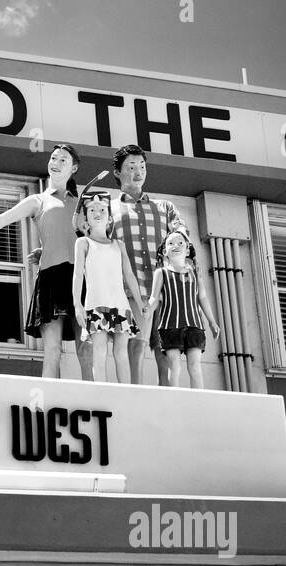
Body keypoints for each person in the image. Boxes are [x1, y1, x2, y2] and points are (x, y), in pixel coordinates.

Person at [0, 144, 91, 380]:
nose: (56, 163)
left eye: (63, 160)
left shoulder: (84, 203)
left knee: (86, 347)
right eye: (53, 158)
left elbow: (93, 239)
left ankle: (95, 403)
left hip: (80, 278)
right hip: (51, 278)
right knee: (52, 350)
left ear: (74, 167)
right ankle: (48, 405)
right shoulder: (37, 200)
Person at [105, 144, 190, 385]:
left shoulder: (164, 208)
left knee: (166, 349)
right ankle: (135, 393)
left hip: (165, 290)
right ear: (118, 173)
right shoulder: (109, 208)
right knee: (135, 346)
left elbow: (182, 232)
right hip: (129, 290)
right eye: (131, 166)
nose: (138, 171)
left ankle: (169, 399)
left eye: (142, 166)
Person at [72, 194, 143, 383]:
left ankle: (126, 392)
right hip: (96, 303)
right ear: (85, 219)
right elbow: (78, 274)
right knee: (99, 350)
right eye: (92, 210)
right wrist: (77, 304)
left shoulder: (118, 245)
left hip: (119, 304)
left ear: (110, 218)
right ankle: (101, 391)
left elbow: (129, 275)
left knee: (121, 351)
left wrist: (140, 302)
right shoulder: (84, 243)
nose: (98, 213)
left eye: (102, 210)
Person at [147, 230, 220, 389]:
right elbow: (154, 297)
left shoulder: (195, 273)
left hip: (194, 325)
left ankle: (198, 399)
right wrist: (147, 309)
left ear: (187, 249)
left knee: (194, 365)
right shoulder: (161, 273)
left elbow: (202, 298)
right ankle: (175, 398)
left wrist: (212, 322)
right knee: (174, 365)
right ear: (165, 251)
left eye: (180, 242)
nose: (176, 245)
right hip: (170, 326)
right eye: (171, 243)